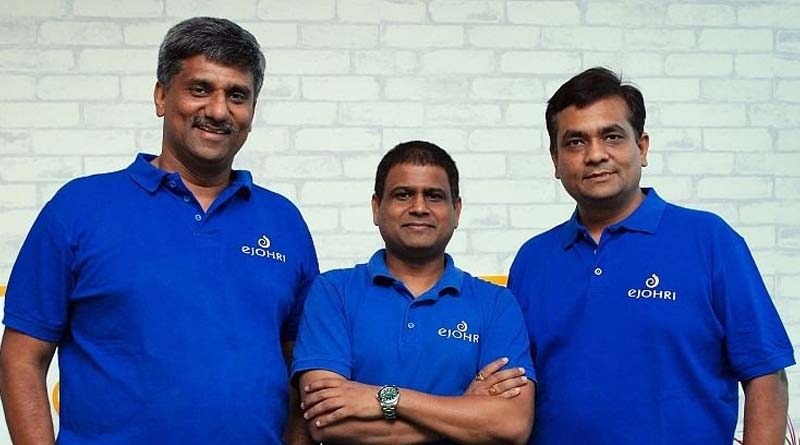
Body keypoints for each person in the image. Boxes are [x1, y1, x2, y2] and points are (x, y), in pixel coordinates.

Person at [0, 17, 319, 444]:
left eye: (237, 95)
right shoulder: (79, 208)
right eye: (200, 89)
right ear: (161, 96)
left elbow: (304, 369)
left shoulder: (284, 221)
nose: (218, 111)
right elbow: (22, 357)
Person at [508, 67, 795, 444]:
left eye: (612, 136)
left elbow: (766, 375)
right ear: (555, 160)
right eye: (575, 142)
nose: (595, 155)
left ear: (641, 148)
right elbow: (513, 387)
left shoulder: (709, 240)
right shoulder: (533, 260)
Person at [290, 140, 535, 444]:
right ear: (376, 207)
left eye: (434, 196)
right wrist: (465, 411)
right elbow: (326, 422)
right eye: (403, 194)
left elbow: (511, 425)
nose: (419, 208)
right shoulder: (333, 292)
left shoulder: (496, 303)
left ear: (456, 211)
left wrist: (386, 397)